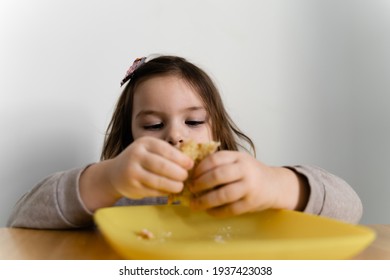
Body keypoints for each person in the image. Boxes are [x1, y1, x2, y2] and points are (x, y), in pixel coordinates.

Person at [7, 55, 363, 229]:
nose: (176, 135)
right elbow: (21, 219)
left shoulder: (247, 193)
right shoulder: (116, 198)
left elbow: (351, 209)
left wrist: (275, 185)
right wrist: (106, 179)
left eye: (193, 121)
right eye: (153, 124)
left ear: (217, 133)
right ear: (129, 136)